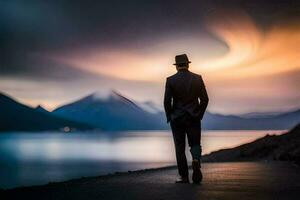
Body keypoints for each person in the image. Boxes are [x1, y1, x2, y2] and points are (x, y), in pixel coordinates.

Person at [164, 54, 209, 184]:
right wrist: (199, 114)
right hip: (194, 117)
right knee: (195, 143)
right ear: (188, 64)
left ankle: (183, 176)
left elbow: (167, 101)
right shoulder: (197, 78)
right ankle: (195, 161)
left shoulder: (170, 80)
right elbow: (205, 99)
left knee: (179, 147)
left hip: (177, 118)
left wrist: (169, 116)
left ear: (177, 66)